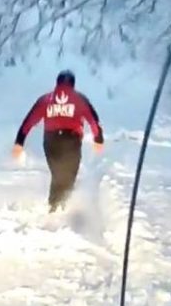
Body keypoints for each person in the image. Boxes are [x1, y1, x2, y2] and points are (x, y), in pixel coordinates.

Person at [12, 70, 104, 212]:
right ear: (73, 84)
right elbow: (94, 120)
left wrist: (19, 142)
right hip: (72, 140)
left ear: (57, 83)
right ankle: (61, 207)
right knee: (69, 174)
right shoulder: (80, 99)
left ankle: (55, 207)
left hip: (51, 141)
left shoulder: (45, 100)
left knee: (57, 173)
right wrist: (98, 139)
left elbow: (28, 121)